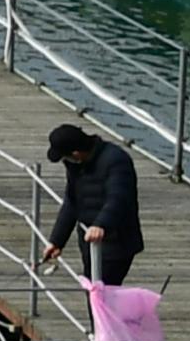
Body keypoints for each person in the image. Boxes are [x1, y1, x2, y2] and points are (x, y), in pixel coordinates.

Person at [43, 123, 145, 286]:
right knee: (93, 289)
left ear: (76, 153)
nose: (65, 161)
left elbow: (118, 198)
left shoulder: (116, 161)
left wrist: (101, 224)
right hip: (88, 242)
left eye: (65, 157)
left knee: (102, 292)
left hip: (116, 242)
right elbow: (72, 201)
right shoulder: (75, 165)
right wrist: (57, 241)